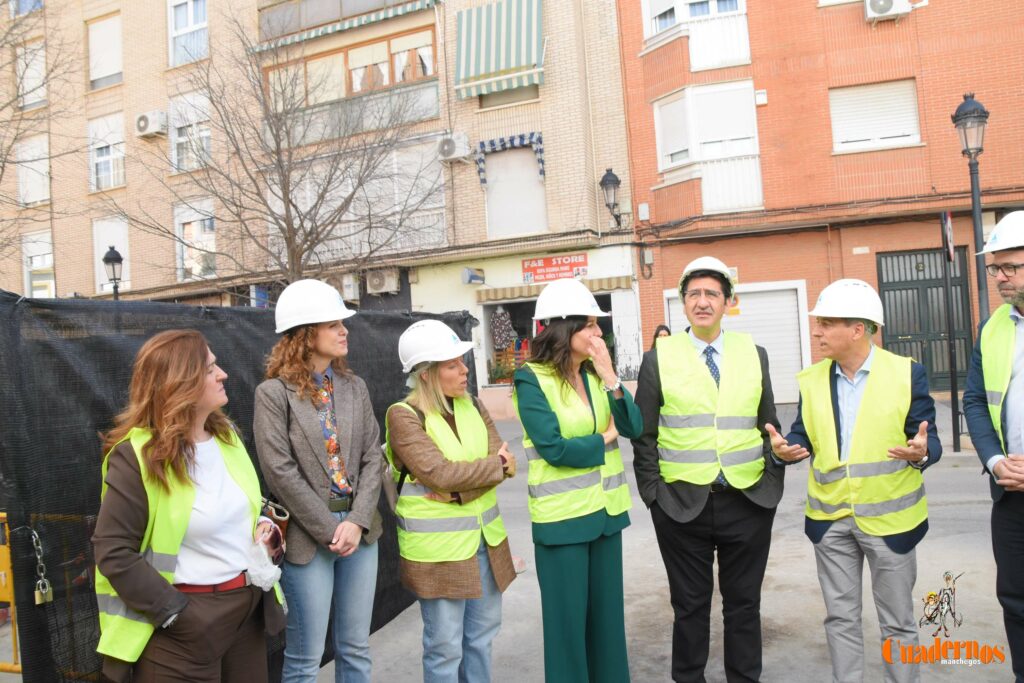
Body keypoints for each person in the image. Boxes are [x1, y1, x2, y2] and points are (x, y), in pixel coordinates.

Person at [768, 278, 940, 683]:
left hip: (890, 523)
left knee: (898, 622)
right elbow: (805, 433)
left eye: (826, 323)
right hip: (831, 522)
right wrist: (787, 448)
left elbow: (925, 439)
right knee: (840, 619)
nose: (816, 331)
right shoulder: (810, 380)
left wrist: (922, 454)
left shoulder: (906, 374)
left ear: (858, 329)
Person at [93, 329, 285, 683]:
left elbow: (242, 507)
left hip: (246, 612)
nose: (222, 374)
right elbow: (113, 551)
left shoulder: (227, 438)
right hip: (183, 625)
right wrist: (176, 615)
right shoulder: (137, 457)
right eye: (210, 368)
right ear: (180, 381)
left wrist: (262, 527)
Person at [632, 256, 783, 683]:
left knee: (744, 605)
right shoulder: (659, 357)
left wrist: (772, 480)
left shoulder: (755, 354)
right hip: (681, 506)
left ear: (728, 302)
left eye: (711, 294)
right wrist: (653, 494)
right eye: (693, 294)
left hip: (748, 501)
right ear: (683, 304)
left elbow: (768, 424)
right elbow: (643, 434)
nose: (702, 302)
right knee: (689, 607)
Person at [513, 277, 643, 683]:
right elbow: (554, 449)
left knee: (607, 627)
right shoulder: (530, 379)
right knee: (567, 631)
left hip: (605, 519)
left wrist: (609, 375)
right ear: (564, 329)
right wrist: (602, 438)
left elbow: (633, 427)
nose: (598, 332)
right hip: (562, 523)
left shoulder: (593, 376)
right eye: (590, 324)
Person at [253, 279, 384, 683]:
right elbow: (279, 470)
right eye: (334, 325)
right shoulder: (273, 394)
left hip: (360, 533)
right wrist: (332, 529)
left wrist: (357, 521)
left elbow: (371, 456)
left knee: (356, 649)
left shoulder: (354, 387)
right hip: (309, 540)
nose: (345, 331)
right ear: (306, 335)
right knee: (305, 659)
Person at [385, 319, 517, 682]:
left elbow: (505, 463)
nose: (464, 370)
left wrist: (458, 488)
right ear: (426, 374)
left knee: (481, 638)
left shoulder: (473, 404)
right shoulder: (404, 416)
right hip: (439, 553)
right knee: (445, 648)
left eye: (462, 361)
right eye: (452, 364)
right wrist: (490, 469)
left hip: (485, 544)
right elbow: (438, 474)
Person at [963, 210, 1024, 681]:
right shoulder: (993, 327)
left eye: (1010, 268)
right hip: (1010, 493)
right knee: (1016, 601)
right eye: (994, 268)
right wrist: (994, 458)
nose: (999, 278)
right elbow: (977, 401)